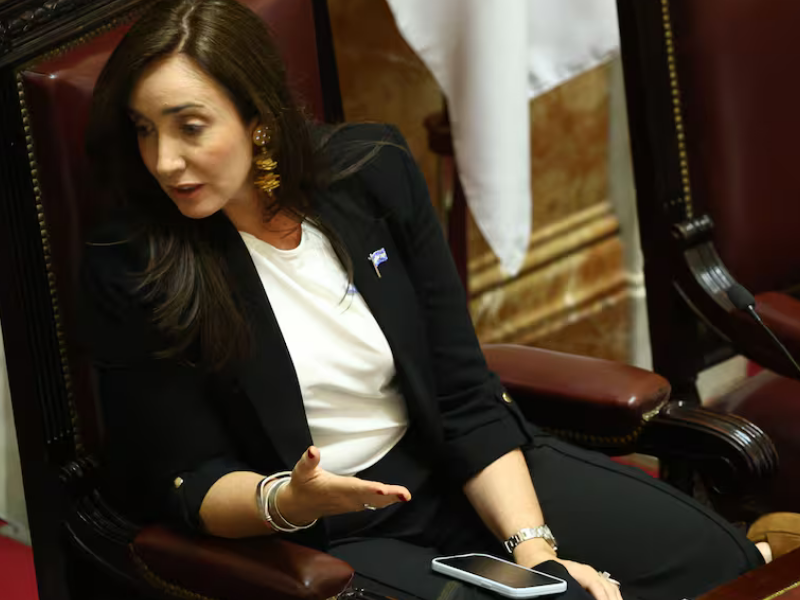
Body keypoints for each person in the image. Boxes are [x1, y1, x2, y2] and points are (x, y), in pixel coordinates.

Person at [79, 1, 798, 599]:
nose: (163, 160)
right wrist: (288, 500)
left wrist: (537, 553)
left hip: (450, 468)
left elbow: (460, 389)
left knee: (721, 565)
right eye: (145, 130)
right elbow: (187, 481)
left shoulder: (372, 174)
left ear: (257, 118)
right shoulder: (135, 264)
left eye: (190, 127)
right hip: (331, 530)